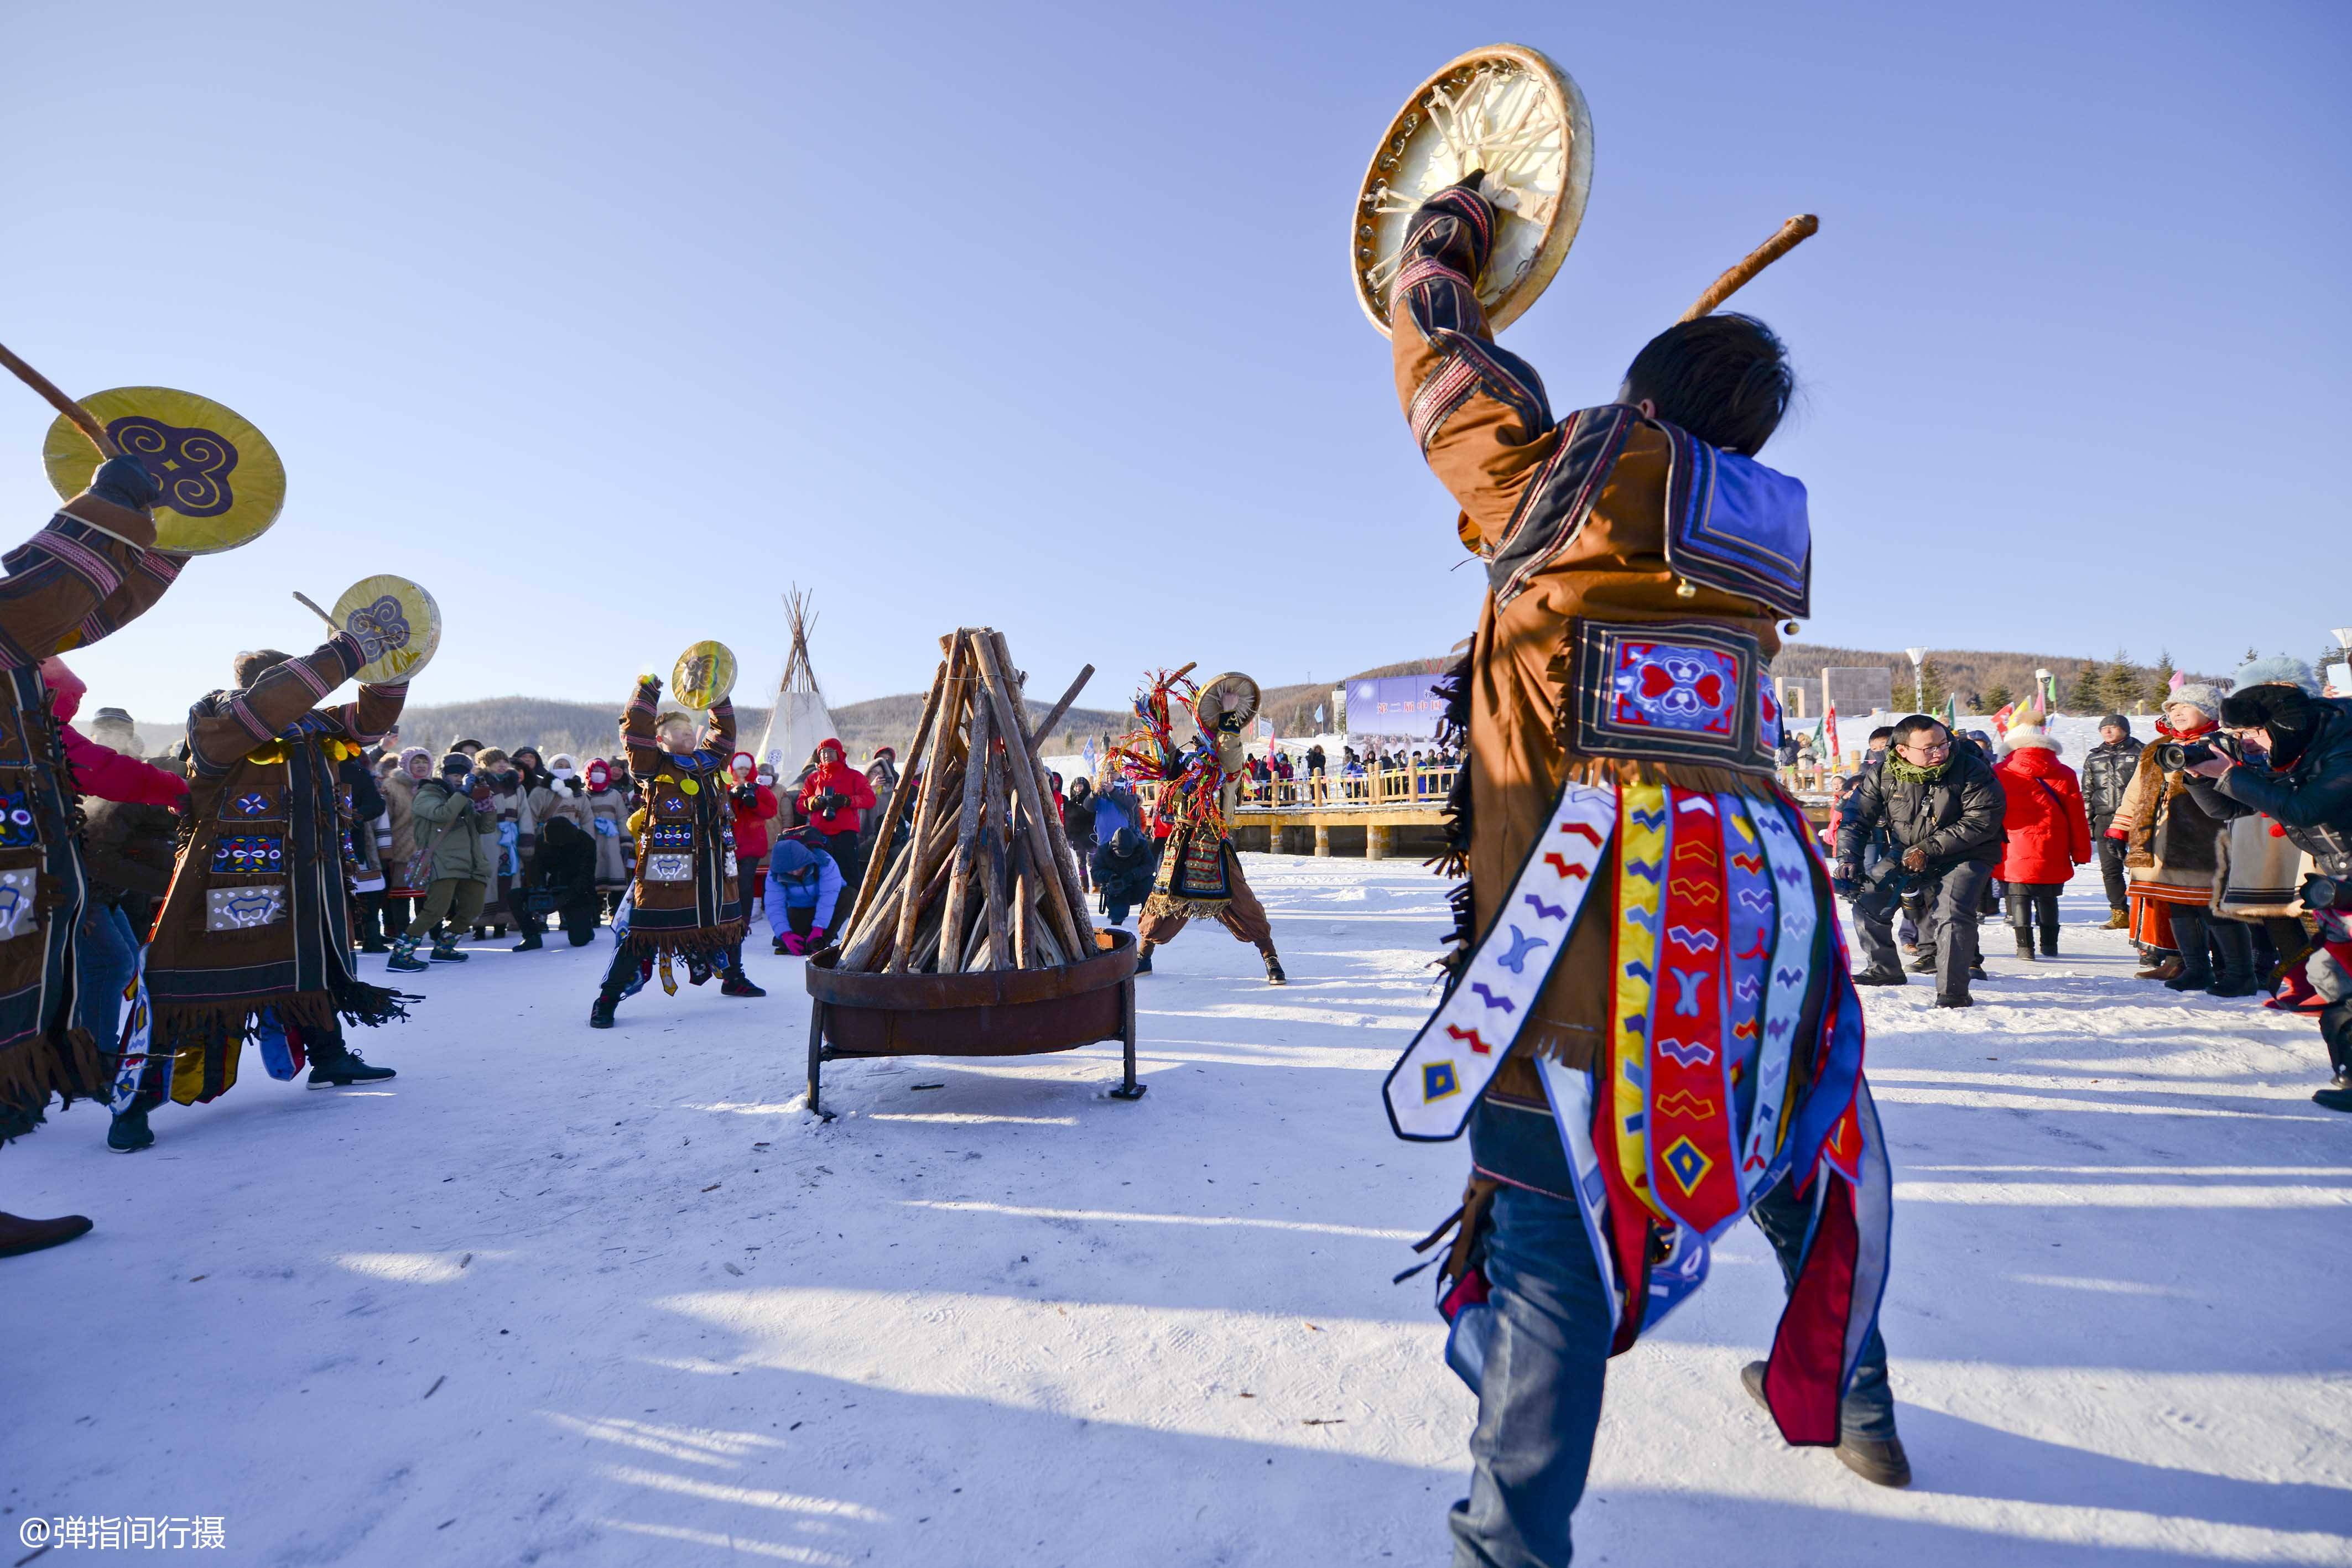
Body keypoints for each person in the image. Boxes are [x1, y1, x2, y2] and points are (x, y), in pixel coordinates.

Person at [1383, 175, 1900, 1568]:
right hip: (1747, 938)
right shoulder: (1748, 555)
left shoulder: (1558, 492)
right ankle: (1854, 1396)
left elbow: (1437, 349)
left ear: (1638, 409)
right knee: (1794, 1141)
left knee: (1548, 1254)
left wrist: (1449, 242)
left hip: (1568, 960)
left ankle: (1508, 1543)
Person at [117, 636, 408, 1152]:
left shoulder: (317, 726)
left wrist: (392, 665)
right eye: (296, 681)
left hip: (307, 880)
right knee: (184, 985)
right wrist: (347, 649)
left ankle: (329, 1056)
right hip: (228, 878)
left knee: (310, 968)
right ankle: (136, 1101)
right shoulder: (219, 718)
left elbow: (372, 718)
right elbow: (266, 710)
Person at [0, 455, 186, 1251]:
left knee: (97, 964)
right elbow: (44, 597)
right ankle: (98, 1063)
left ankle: (86, 1063)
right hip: (43, 882)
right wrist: (109, 504)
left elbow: (84, 609)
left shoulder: (32, 711)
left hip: (47, 883)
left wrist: (173, 536)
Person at [2182, 674, 2352, 1108]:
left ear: (2282, 725)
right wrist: (2202, 775)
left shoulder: (2343, 745)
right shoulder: (2294, 754)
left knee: (2337, 981)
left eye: (2249, 733)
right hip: (2340, 887)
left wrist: (2233, 773)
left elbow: (2306, 808)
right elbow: (2229, 807)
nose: (2247, 743)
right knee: (2334, 982)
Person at [589, 676, 762, 1028]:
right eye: (677, 729)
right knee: (646, 932)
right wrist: (647, 691)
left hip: (715, 864)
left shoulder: (711, 762)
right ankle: (607, 999)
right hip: (669, 872)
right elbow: (634, 731)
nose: (686, 732)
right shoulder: (652, 765)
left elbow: (725, 732)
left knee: (728, 924)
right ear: (660, 739)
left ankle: (733, 978)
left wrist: (717, 696)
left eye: (689, 727)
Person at [1118, 671, 1287, 983]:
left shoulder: (1226, 770)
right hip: (1182, 841)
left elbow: (1231, 752)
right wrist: (1153, 717)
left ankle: (1270, 957)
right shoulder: (1185, 768)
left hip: (1214, 841)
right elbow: (1165, 756)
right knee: (1162, 901)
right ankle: (1144, 955)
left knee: (1243, 902)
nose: (1197, 744)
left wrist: (1229, 713)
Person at [1836, 716, 2004, 1002]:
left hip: (1967, 852)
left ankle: (1953, 990)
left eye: (1943, 744)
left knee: (1951, 912)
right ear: (1903, 750)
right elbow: (1855, 818)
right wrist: (1847, 858)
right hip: (1907, 850)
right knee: (1869, 898)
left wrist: (1927, 849)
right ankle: (1884, 969)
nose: (1939, 752)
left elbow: (1981, 820)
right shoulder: (1883, 773)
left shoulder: (1971, 769)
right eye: (1929, 748)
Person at [2110, 686, 2241, 989]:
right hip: (2162, 841)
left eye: (2186, 706)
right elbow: (2137, 792)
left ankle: (2236, 971)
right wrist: (2120, 828)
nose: (2176, 712)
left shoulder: (2226, 744)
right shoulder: (2160, 748)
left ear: (2209, 711)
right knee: (2178, 906)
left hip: (2210, 840)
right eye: (2172, 708)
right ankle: (2195, 968)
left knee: (2214, 908)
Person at [388, 754, 497, 971]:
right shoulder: (427, 794)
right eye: (455, 775)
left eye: (464, 775)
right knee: (435, 911)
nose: (459, 779)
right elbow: (442, 814)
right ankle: (400, 955)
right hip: (442, 862)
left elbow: (485, 829)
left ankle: (444, 949)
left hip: (471, 863)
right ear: (445, 775)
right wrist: (464, 792)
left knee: (472, 909)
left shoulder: (463, 798)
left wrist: (487, 807)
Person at [1992, 721, 2090, 960]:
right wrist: (2081, 852)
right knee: (2048, 897)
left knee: (2018, 895)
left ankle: (2024, 948)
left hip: (2012, 845)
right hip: (2053, 845)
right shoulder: (2065, 773)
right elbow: (2077, 816)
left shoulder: (2000, 772)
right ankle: (2050, 946)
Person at [2082, 715, 2144, 928]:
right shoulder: (2094, 757)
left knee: (2141, 868)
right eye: (2104, 728)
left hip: (2137, 818)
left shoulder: (2142, 753)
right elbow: (2087, 793)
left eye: (2113, 727)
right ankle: (2119, 913)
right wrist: (2089, 823)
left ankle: (2144, 913)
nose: (2107, 731)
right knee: (2110, 869)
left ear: (2125, 730)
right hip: (2105, 819)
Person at [797, 737, 875, 887]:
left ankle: (853, 907)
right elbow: (800, 805)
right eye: (823, 752)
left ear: (839, 753)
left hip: (845, 834)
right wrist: (814, 802)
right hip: (820, 835)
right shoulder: (813, 779)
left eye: (830, 751)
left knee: (849, 874)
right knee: (821, 876)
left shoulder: (854, 776)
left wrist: (847, 801)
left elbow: (870, 799)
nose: (826, 755)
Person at [378, 747, 433, 939]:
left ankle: (430, 930)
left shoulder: (434, 785)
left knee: (429, 894)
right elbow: (385, 819)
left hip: (431, 848)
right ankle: (403, 932)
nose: (421, 766)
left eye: (425, 762)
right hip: (402, 846)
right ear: (406, 764)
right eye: (416, 762)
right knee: (401, 893)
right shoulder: (391, 786)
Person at [767, 827, 844, 955]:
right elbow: (774, 905)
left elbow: (828, 899)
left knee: (849, 895)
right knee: (786, 937)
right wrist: (785, 934)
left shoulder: (826, 863)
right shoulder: (775, 874)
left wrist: (818, 929)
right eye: (790, 871)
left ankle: (824, 940)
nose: (795, 873)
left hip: (830, 907)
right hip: (799, 908)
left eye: (798, 868)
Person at [531, 815, 602, 946]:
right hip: (554, 886)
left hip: (578, 893)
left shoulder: (585, 842)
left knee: (579, 940)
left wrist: (565, 898)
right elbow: (537, 868)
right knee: (515, 896)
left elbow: (586, 877)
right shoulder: (543, 841)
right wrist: (539, 889)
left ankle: (585, 923)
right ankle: (531, 937)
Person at [729, 750, 779, 911]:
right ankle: (731, 914)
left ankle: (744, 918)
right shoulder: (725, 788)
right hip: (729, 843)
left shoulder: (760, 790)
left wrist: (754, 804)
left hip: (752, 843)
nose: (743, 772)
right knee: (730, 882)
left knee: (745, 882)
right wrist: (731, 798)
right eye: (740, 768)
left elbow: (771, 811)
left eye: (746, 768)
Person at [582, 757, 632, 914]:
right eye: (595, 771)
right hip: (591, 838)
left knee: (615, 872)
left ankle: (615, 910)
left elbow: (623, 817)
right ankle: (594, 911)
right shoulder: (583, 795)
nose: (599, 774)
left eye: (603, 771)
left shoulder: (614, 795)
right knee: (593, 873)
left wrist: (626, 842)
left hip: (612, 839)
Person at [1063, 775, 1097, 891]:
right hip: (1077, 837)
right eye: (1076, 786)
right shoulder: (1070, 803)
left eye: (1080, 786)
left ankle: (1096, 885)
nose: (1078, 788)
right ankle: (1085, 886)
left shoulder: (1091, 801)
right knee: (1081, 862)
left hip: (1090, 836)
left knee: (1092, 862)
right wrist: (1069, 836)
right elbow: (1068, 821)